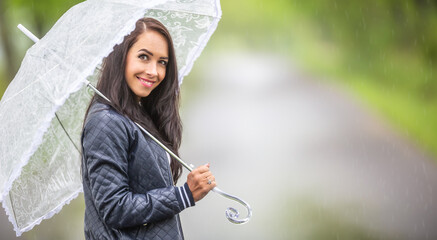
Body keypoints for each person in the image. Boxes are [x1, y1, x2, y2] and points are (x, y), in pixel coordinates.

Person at [81, 17, 216, 239]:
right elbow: (114, 208)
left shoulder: (137, 113)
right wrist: (183, 195)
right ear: (120, 57)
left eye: (162, 62)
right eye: (144, 57)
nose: (154, 71)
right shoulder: (106, 122)